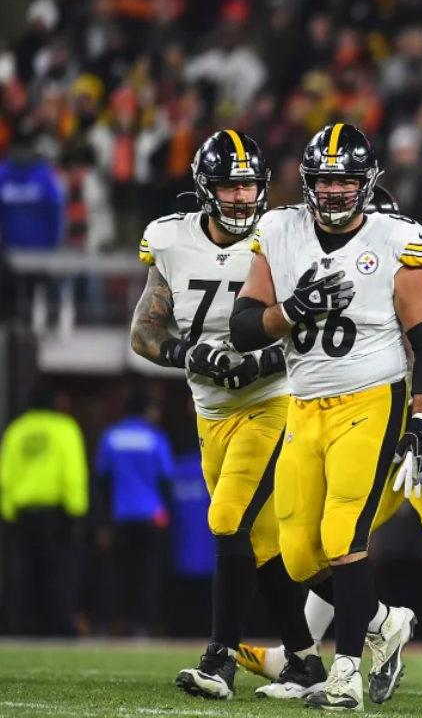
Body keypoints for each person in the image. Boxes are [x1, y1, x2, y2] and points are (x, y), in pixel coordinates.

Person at [235, 185, 422, 701]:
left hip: (417, 420)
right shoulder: (310, 250)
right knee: (325, 539)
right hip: (355, 420)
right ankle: (331, 643)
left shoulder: (395, 259)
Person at [230, 123, 422, 711]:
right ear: (308, 183)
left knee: (343, 536)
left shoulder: (396, 237)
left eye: (346, 179)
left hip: (372, 397)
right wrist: (292, 311)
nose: (336, 191)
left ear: (367, 181)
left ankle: (345, 672)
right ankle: (383, 623)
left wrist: (421, 421)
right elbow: (245, 326)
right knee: (298, 554)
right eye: (325, 180)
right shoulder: (279, 228)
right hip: (304, 402)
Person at [130, 129, 319, 700]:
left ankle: (219, 661)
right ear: (204, 188)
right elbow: (144, 332)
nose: (240, 198)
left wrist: (259, 360)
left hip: (273, 401)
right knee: (261, 544)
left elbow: (312, 329)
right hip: (211, 411)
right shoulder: (169, 238)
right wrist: (191, 354)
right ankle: (318, 656)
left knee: (227, 518)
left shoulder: (286, 236)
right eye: (228, 186)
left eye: (248, 186)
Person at [0, 382, 88, 636]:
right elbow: (73, 472)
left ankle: (18, 627)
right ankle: (57, 627)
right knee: (57, 574)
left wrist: (8, 513)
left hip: (22, 515)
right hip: (56, 515)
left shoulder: (16, 431)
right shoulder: (64, 428)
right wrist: (76, 510)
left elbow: (6, 475)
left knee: (23, 575)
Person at [94, 386, 174, 638]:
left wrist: (103, 521)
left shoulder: (110, 436)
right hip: (151, 515)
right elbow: (166, 478)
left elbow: (102, 480)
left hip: (121, 515)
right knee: (148, 573)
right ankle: (142, 625)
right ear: (146, 409)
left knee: (117, 573)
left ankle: (109, 623)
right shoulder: (156, 437)